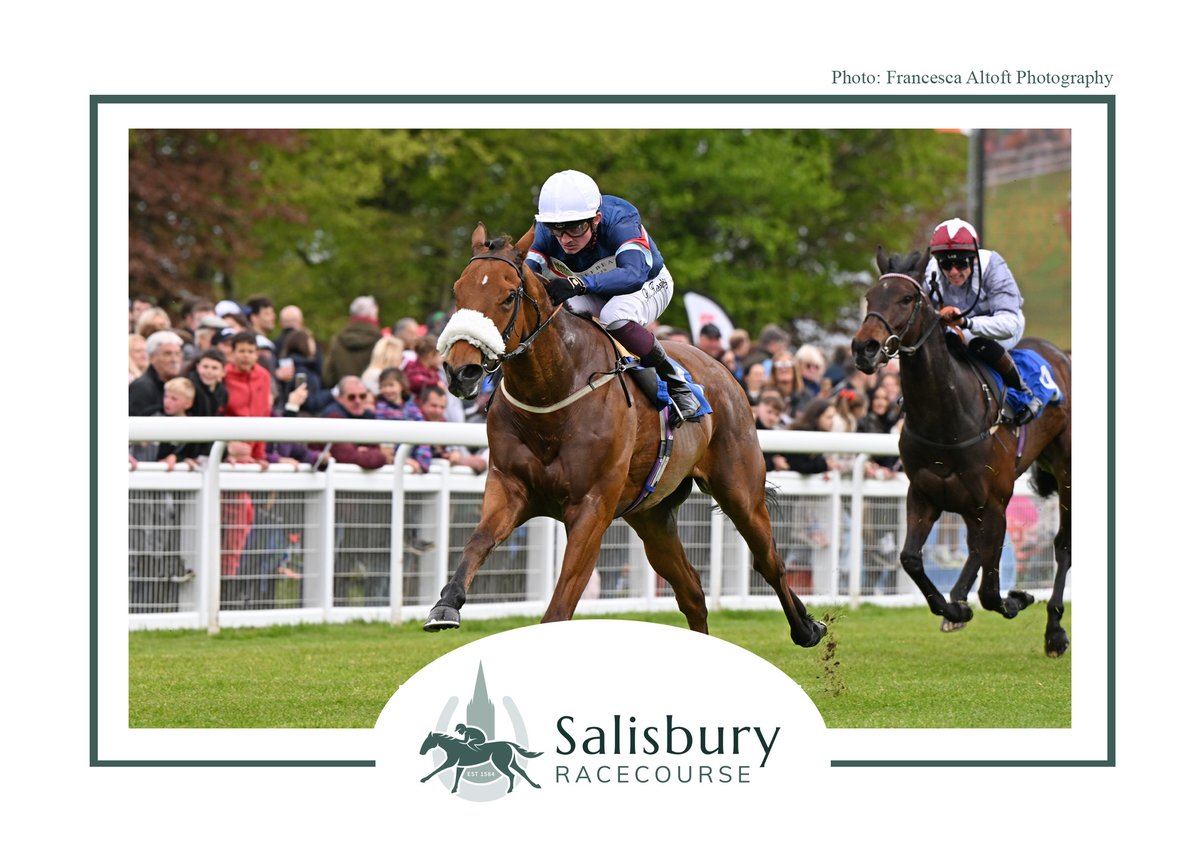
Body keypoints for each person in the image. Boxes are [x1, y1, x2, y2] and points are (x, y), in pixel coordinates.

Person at [523, 169, 700, 424]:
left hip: (648, 283)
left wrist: (579, 282)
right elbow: (524, 274)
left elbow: (634, 274)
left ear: (596, 219)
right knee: (561, 313)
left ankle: (676, 382)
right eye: (556, 230)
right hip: (596, 288)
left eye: (574, 228)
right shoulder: (546, 232)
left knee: (614, 316)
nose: (565, 239)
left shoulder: (620, 218)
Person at [923, 217, 1041, 425]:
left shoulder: (993, 265)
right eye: (946, 264)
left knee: (972, 340)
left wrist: (967, 323)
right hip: (958, 327)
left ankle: (1025, 393)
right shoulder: (931, 270)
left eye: (960, 263)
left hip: (1001, 326)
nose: (953, 272)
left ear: (974, 258)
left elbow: (1009, 323)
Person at [318, 376, 390, 470]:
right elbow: (349, 458)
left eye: (362, 396)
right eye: (351, 397)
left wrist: (362, 452)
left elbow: (374, 450)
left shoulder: (368, 416)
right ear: (339, 398)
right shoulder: (333, 417)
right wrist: (382, 456)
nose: (358, 401)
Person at [222, 331, 272, 462]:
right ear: (232, 353)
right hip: (229, 448)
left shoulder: (263, 376)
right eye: (242, 351)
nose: (246, 356)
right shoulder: (223, 375)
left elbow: (264, 414)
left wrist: (260, 454)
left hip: (254, 449)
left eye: (250, 351)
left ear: (256, 354)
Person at [323, 295, 382, 388]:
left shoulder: (337, 340)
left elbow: (328, 376)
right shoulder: (380, 341)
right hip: (371, 397)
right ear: (373, 315)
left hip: (343, 395)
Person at [129, 330, 184, 416]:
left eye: (177, 353)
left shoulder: (181, 384)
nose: (174, 359)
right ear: (151, 357)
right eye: (167, 354)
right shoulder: (141, 388)